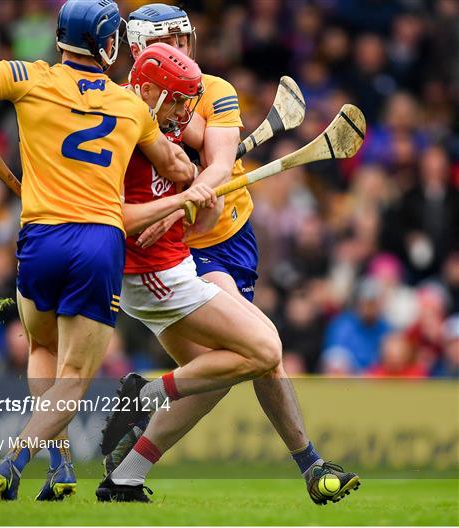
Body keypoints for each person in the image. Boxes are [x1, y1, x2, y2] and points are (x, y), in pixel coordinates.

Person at [0, 0, 208, 501]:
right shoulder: (132, 106)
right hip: (98, 242)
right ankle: (16, 458)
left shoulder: (30, 79)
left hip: (39, 240)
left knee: (42, 348)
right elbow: (178, 168)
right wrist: (191, 178)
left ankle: (60, 463)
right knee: (73, 378)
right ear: (109, 45)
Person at [99, 3, 360, 506]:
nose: (181, 52)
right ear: (138, 52)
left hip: (227, 240)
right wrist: (177, 205)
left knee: (221, 369)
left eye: (184, 40)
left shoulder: (211, 90)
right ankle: (311, 465)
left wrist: (194, 191)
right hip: (175, 255)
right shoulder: (132, 108)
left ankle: (127, 473)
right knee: (253, 353)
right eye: (167, 43)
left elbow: (219, 163)